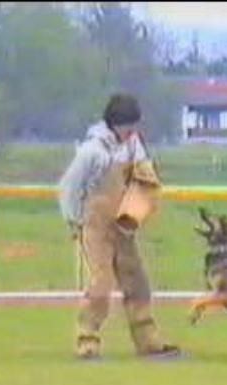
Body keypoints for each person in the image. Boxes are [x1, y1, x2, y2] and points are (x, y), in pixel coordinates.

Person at [58, 93, 181, 360]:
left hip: (123, 224)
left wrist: (141, 201)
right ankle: (87, 341)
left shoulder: (133, 145)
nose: (133, 132)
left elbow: (144, 176)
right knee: (101, 283)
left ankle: (148, 342)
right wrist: (74, 220)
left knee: (137, 282)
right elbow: (69, 187)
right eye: (129, 126)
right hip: (95, 225)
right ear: (115, 123)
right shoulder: (92, 151)